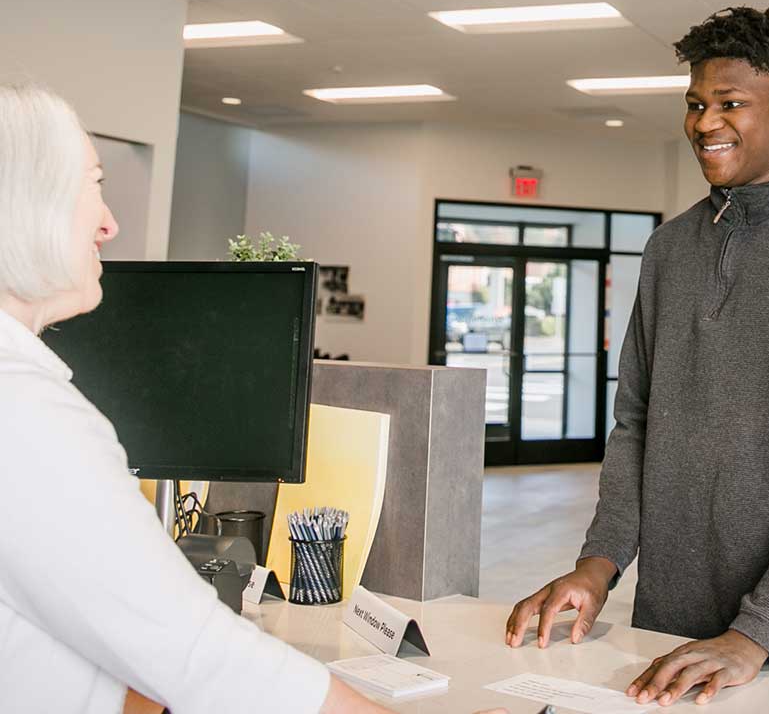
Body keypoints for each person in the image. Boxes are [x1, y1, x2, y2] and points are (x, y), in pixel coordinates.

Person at [0, 85, 507, 714]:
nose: (110, 223)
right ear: (29, 206)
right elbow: (194, 655)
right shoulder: (28, 420)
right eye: (93, 186)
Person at [505, 6, 769, 707]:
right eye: (696, 104)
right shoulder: (669, 249)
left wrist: (760, 632)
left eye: (731, 103)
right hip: (671, 624)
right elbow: (637, 421)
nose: (704, 123)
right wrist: (598, 566)